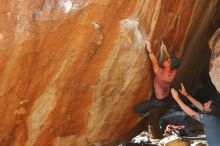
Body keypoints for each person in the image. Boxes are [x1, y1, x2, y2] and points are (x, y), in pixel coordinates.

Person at [134, 40, 181, 117]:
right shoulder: (174, 70)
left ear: (169, 66)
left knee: (137, 109)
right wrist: (165, 51)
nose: (165, 59)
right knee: (153, 98)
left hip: (159, 100)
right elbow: (170, 61)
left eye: (167, 61)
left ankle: (146, 112)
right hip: (166, 94)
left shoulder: (162, 76)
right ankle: (148, 108)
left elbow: (154, 62)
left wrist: (149, 50)